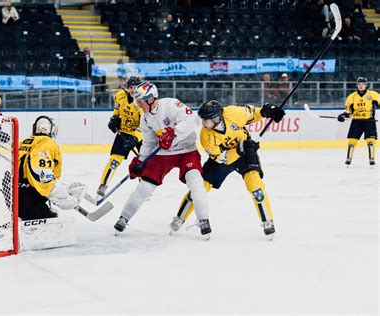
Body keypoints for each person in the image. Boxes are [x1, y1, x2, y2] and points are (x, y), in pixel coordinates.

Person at [169, 100, 286, 238]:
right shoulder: (205, 135)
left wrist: (268, 111)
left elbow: (254, 114)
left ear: (216, 117)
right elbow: (221, 158)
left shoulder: (233, 113)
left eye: (206, 120)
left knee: (255, 186)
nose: (203, 123)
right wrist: (239, 150)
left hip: (246, 153)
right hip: (224, 158)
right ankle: (179, 217)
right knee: (200, 187)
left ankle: (268, 221)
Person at [113, 81, 211, 237]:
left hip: (187, 150)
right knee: (144, 187)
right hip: (163, 154)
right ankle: (124, 218)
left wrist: (174, 133)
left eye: (140, 101)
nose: (138, 105)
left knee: (196, 182)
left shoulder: (171, 105)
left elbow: (193, 119)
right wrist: (140, 161)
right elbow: (149, 143)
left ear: (151, 98)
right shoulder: (145, 119)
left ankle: (204, 220)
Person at [19, 116, 86, 220]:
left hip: (13, 194)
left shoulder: (25, 141)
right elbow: (38, 168)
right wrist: (56, 192)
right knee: (50, 224)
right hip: (30, 196)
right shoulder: (47, 143)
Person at [97, 76, 143, 197]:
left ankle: (143, 188)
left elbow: (145, 124)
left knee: (143, 162)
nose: (133, 90)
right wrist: (114, 120)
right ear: (127, 88)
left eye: (136, 88)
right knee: (114, 161)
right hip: (124, 132)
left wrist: (136, 138)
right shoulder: (120, 96)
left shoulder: (142, 101)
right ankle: (103, 185)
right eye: (130, 88)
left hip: (140, 133)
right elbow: (116, 113)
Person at [337, 77, 379, 166]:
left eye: (362, 84)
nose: (360, 86)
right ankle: (348, 159)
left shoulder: (373, 94)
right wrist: (343, 116)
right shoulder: (351, 97)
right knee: (352, 141)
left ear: (366, 85)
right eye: (359, 84)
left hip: (369, 121)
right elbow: (348, 112)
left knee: (371, 141)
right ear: (357, 85)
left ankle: (371, 159)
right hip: (356, 121)